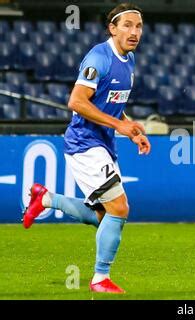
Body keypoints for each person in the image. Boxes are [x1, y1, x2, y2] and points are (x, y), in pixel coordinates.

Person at [22, 3, 150, 294]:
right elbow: (77, 101)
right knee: (119, 207)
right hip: (84, 143)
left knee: (104, 216)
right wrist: (119, 127)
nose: (134, 32)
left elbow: (112, 104)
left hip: (104, 143)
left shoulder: (128, 60)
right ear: (112, 28)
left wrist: (129, 130)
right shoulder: (99, 57)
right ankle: (99, 279)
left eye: (139, 26)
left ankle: (46, 199)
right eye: (127, 25)